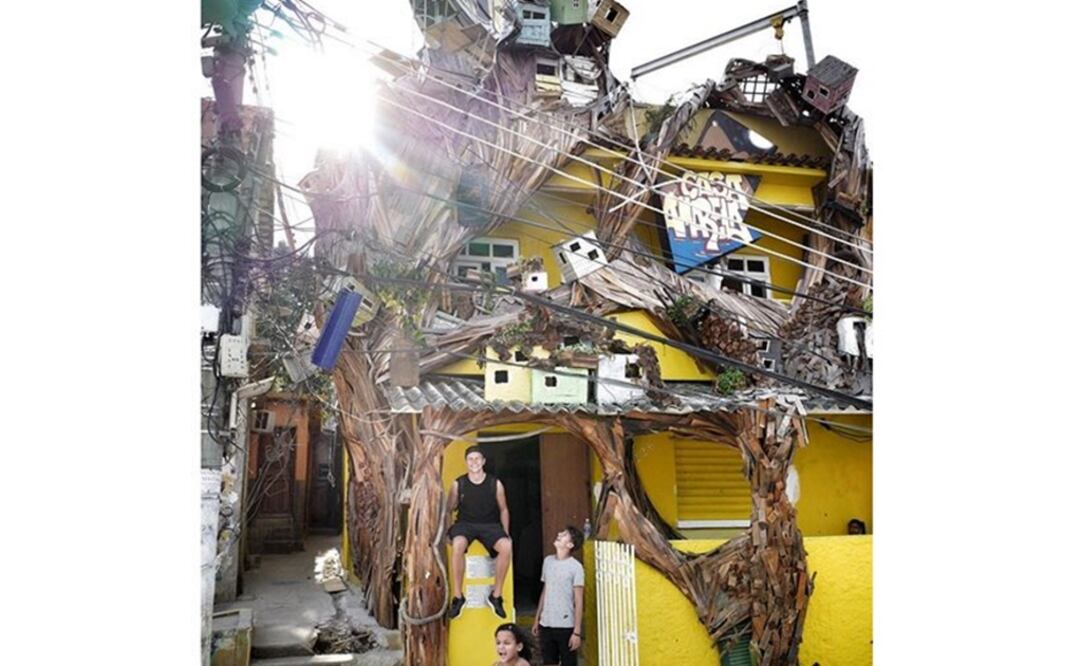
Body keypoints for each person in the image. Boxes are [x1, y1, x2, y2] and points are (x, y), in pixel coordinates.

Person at [446, 446, 513, 620]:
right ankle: (458, 597)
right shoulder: (458, 483)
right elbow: (448, 509)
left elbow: (504, 509)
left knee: (506, 547)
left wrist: (506, 532)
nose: (474, 462)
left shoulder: (495, 483)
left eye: (477, 459)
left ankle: (496, 596)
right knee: (458, 544)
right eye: (470, 459)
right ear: (466, 462)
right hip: (465, 524)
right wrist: (448, 531)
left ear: (483, 461)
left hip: (489, 525)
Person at [532, 526, 585, 666]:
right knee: (549, 662)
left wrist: (577, 632)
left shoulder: (576, 567)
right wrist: (537, 618)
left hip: (566, 625)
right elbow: (545, 590)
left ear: (570, 545)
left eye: (565, 534)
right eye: (561, 532)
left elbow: (579, 601)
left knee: (569, 662)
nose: (559, 534)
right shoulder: (548, 561)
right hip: (546, 623)